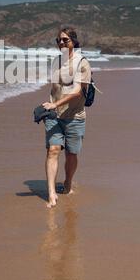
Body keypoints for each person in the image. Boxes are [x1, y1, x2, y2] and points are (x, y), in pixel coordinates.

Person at [42, 27, 92, 208]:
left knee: (71, 154)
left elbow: (78, 91)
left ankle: (68, 182)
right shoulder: (56, 61)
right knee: (53, 150)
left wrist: (56, 103)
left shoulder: (83, 63)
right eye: (58, 41)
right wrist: (50, 106)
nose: (61, 43)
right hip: (54, 115)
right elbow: (55, 88)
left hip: (75, 117)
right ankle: (51, 193)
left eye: (65, 40)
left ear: (74, 42)